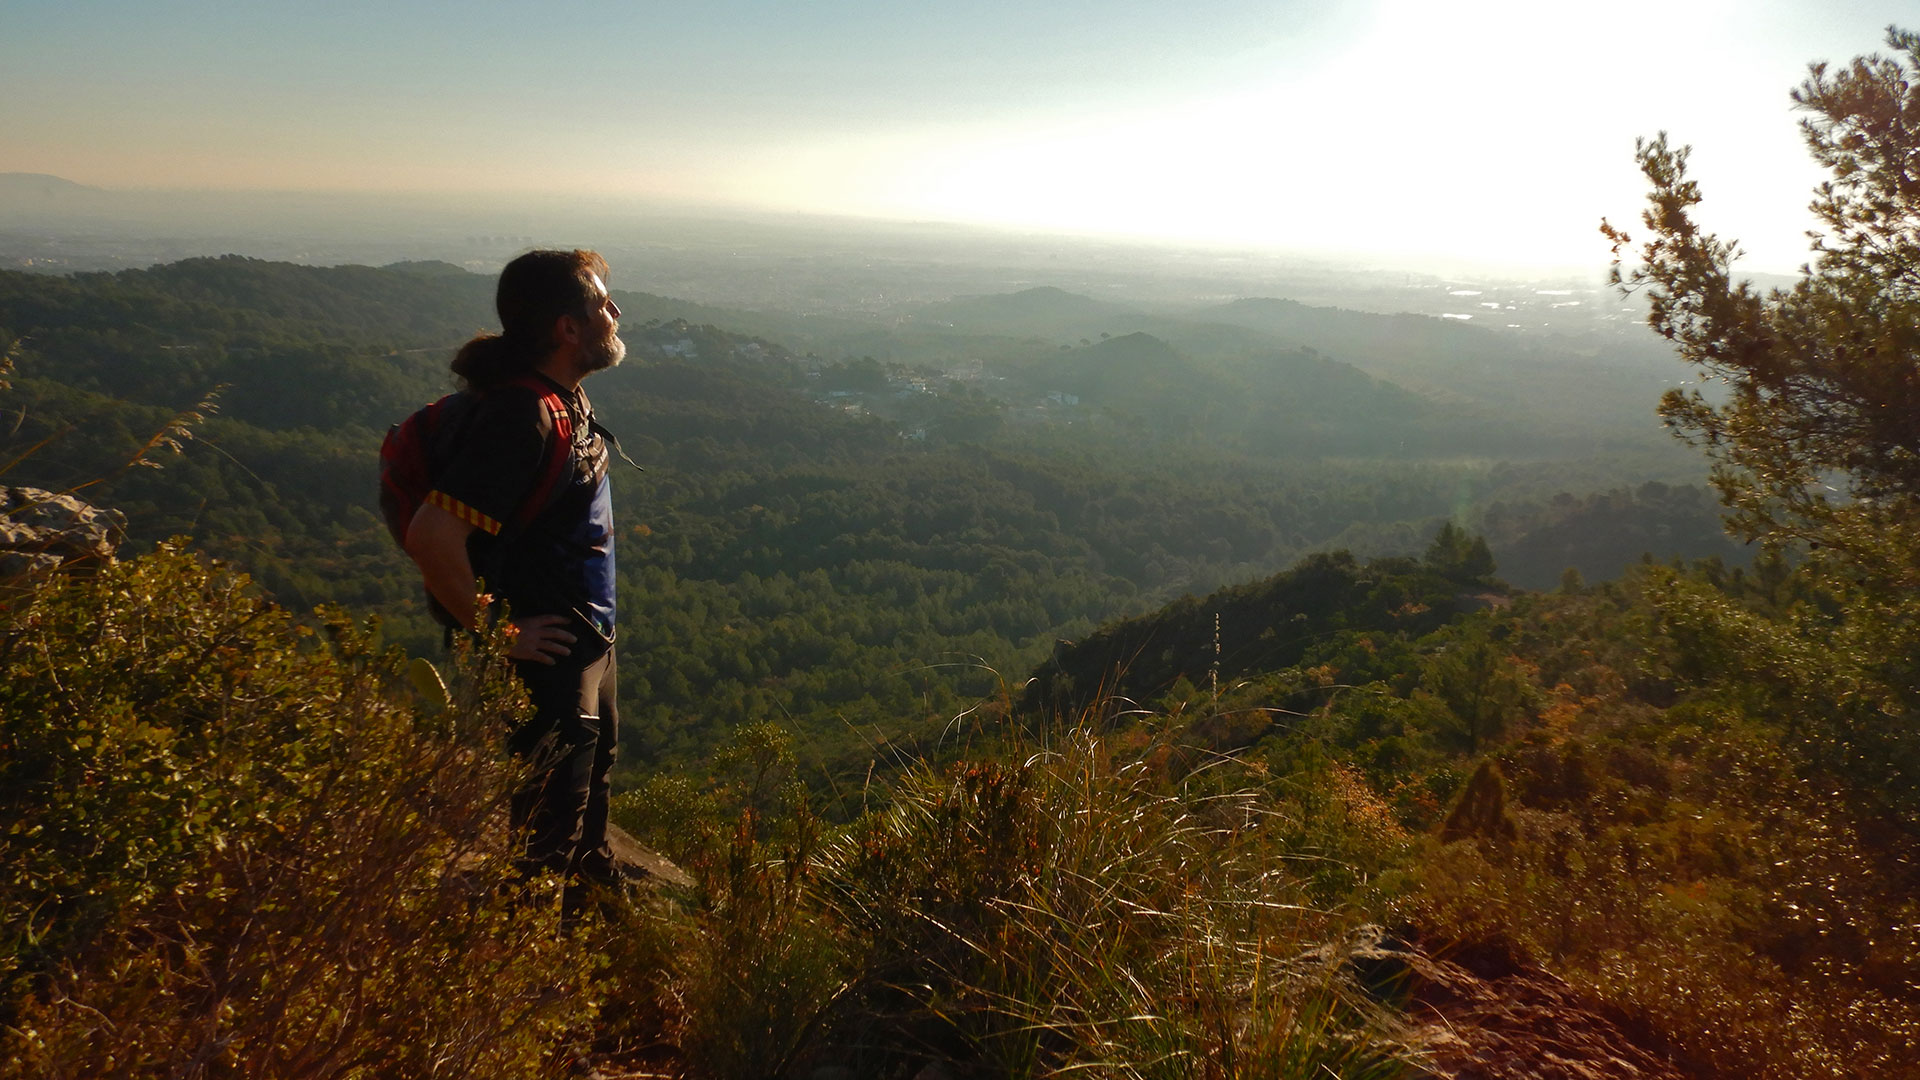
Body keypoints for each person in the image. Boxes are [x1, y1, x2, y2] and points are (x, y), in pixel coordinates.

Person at [403, 248, 627, 913]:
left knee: (589, 783)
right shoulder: (519, 418)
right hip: (547, 655)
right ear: (566, 328)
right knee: (545, 832)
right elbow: (430, 536)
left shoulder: (561, 399)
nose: (615, 314)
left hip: (584, 637)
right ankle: (527, 976)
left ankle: (594, 910)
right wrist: (496, 631)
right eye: (600, 304)